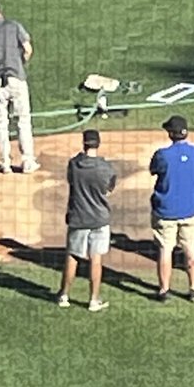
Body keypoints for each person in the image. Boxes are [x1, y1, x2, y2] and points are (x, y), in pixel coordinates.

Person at [0, 0, 40, 174]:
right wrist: (20, 64)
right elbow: (28, 49)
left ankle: (5, 163)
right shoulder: (14, 26)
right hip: (16, 78)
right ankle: (28, 162)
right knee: (23, 121)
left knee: (0, 123)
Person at [56, 128, 116, 312]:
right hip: (99, 219)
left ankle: (64, 295)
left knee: (72, 256)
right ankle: (93, 300)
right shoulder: (106, 168)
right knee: (96, 259)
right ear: (98, 144)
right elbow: (109, 188)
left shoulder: (74, 165)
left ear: (84, 143)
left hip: (78, 217)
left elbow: (71, 180)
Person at [149, 114, 194, 302]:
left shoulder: (162, 155)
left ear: (171, 134)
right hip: (191, 209)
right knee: (191, 249)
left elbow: (153, 170)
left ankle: (164, 290)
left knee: (165, 249)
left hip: (166, 210)